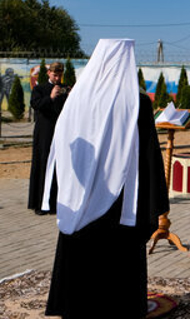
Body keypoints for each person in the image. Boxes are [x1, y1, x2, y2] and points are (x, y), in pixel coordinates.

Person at [43, 39, 169, 318]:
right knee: (118, 260)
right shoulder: (136, 102)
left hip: (81, 194)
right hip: (121, 197)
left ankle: (75, 305)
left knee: (82, 252)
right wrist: (157, 198)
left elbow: (62, 142)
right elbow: (148, 155)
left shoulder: (77, 97)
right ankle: (118, 307)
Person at [28, 61, 68, 215]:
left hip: (61, 132)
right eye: (54, 74)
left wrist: (71, 96)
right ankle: (40, 203)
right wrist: (50, 97)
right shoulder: (40, 89)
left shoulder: (65, 88)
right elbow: (35, 104)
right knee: (43, 163)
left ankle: (56, 202)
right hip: (44, 132)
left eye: (59, 75)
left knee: (60, 166)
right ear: (48, 74)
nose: (57, 78)